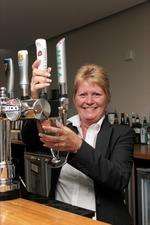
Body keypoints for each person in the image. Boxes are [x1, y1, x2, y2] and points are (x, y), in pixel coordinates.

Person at [21, 60, 134, 225]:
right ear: (74, 99)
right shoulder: (63, 127)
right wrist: (34, 98)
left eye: (96, 94)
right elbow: (30, 140)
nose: (89, 101)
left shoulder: (121, 133)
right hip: (60, 219)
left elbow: (118, 179)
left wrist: (78, 146)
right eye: (82, 94)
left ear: (107, 97)